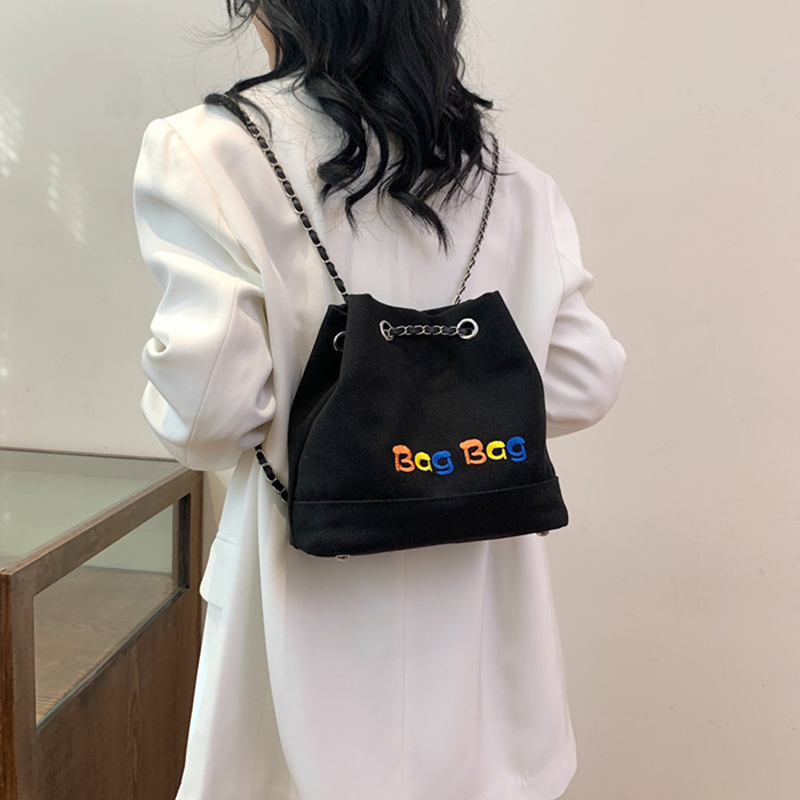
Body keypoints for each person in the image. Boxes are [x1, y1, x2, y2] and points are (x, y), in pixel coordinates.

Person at [132, 2, 627, 799]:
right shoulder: (507, 179)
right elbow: (583, 379)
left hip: (303, 625)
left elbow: (208, 414)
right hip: (483, 629)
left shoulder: (211, 150)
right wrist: (449, 414)